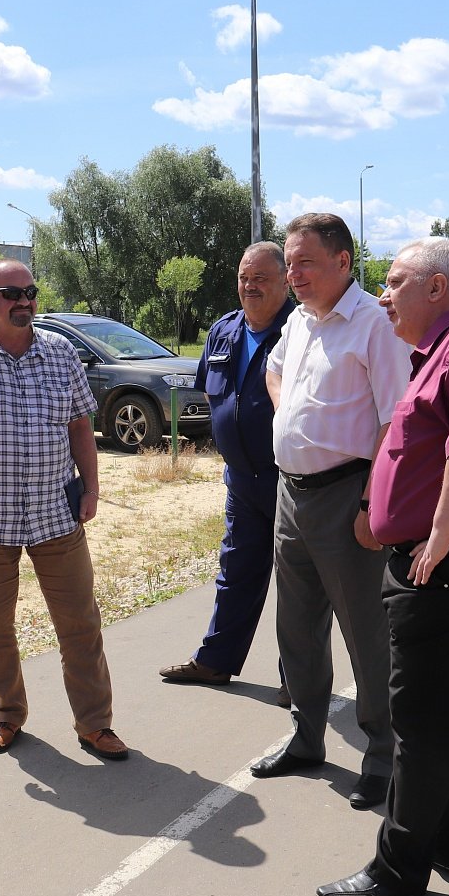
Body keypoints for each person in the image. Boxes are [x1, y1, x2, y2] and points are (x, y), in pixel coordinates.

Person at [316, 236, 449, 896]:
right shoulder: (440, 351)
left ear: (437, 287)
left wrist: (435, 535)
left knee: (423, 717)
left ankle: (399, 868)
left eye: (396, 280)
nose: (384, 294)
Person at [0, 259, 128, 761]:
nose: (23, 300)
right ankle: (5, 714)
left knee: (81, 626)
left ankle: (95, 725)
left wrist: (91, 486)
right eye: (9, 292)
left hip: (55, 516)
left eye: (29, 292)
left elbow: (81, 426)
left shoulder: (61, 353)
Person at [251, 213, 410, 812]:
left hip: (349, 496)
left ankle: (382, 757)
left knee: (367, 634)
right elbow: (273, 371)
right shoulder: (301, 321)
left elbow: (396, 422)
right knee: (297, 628)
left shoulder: (374, 326)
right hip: (291, 496)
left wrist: (374, 502)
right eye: (289, 264)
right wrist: (288, 407)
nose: (293, 275)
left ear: (344, 262)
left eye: (305, 263)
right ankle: (307, 738)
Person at [160, 241, 294, 688]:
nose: (249, 286)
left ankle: (297, 680)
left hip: (291, 480)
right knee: (235, 569)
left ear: (285, 279)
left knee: (298, 584)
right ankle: (215, 661)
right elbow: (216, 396)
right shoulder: (224, 330)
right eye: (243, 278)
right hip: (241, 480)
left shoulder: (303, 330)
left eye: (260, 278)